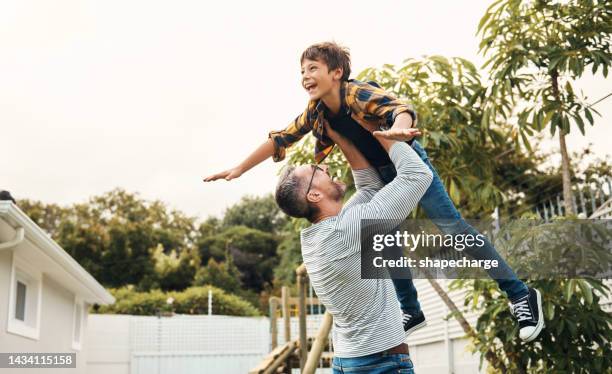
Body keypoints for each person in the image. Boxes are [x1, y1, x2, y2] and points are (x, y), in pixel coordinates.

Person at [204, 41, 544, 342]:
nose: (305, 76)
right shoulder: (316, 111)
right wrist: (238, 169)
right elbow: (281, 139)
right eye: (302, 70)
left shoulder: (356, 93)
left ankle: (520, 294)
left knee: (453, 229)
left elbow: (401, 108)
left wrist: (397, 131)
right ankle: (411, 309)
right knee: (377, 238)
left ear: (336, 72)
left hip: (408, 162)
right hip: (376, 173)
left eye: (313, 69)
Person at [275, 122, 431, 373]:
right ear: (314, 196)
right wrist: (379, 129)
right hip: (380, 364)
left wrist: (341, 135)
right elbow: (418, 175)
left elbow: (370, 187)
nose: (325, 166)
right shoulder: (345, 230)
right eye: (317, 170)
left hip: (349, 361)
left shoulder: (318, 236)